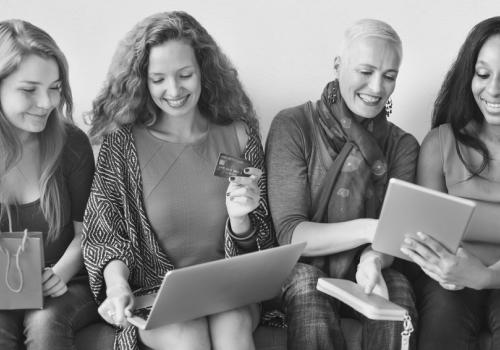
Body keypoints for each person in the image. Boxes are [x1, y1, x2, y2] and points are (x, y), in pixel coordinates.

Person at [81, 11, 275, 350]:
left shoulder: (238, 138)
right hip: (154, 293)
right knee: (188, 335)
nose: (173, 90)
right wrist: (117, 288)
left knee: (231, 327)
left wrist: (241, 219)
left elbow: (261, 247)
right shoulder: (123, 146)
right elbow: (105, 236)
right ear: (143, 80)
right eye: (158, 79)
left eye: (184, 75)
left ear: (203, 69)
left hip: (229, 291)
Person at [265, 19, 419, 350]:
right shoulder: (293, 125)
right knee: (308, 284)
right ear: (338, 67)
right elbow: (290, 233)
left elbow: (392, 238)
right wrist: (369, 229)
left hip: (367, 263)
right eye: (365, 72)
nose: (377, 87)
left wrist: (373, 259)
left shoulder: (403, 145)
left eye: (389, 77)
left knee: (399, 290)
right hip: (301, 268)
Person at [400, 16, 500, 350]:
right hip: (450, 277)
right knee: (442, 325)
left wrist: (485, 276)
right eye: (483, 74)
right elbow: (426, 238)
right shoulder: (441, 143)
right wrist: (452, 269)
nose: (494, 90)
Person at [0, 19, 98, 350]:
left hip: (68, 283)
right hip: (4, 288)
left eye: (55, 87)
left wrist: (59, 273)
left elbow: (89, 233)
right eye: (29, 90)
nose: (47, 102)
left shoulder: (71, 143)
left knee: (45, 322)